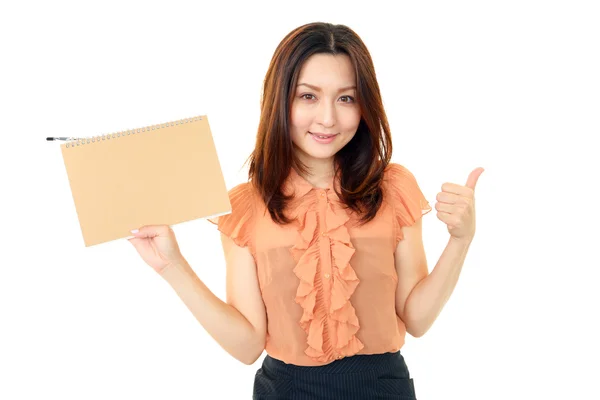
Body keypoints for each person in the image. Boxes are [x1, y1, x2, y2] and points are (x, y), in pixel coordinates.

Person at [128, 22, 483, 400]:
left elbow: (417, 319)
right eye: (308, 96)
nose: (328, 118)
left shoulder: (393, 188)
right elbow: (247, 345)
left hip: (382, 389)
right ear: (280, 100)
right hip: (284, 390)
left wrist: (461, 240)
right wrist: (173, 267)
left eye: (346, 98)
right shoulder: (246, 206)